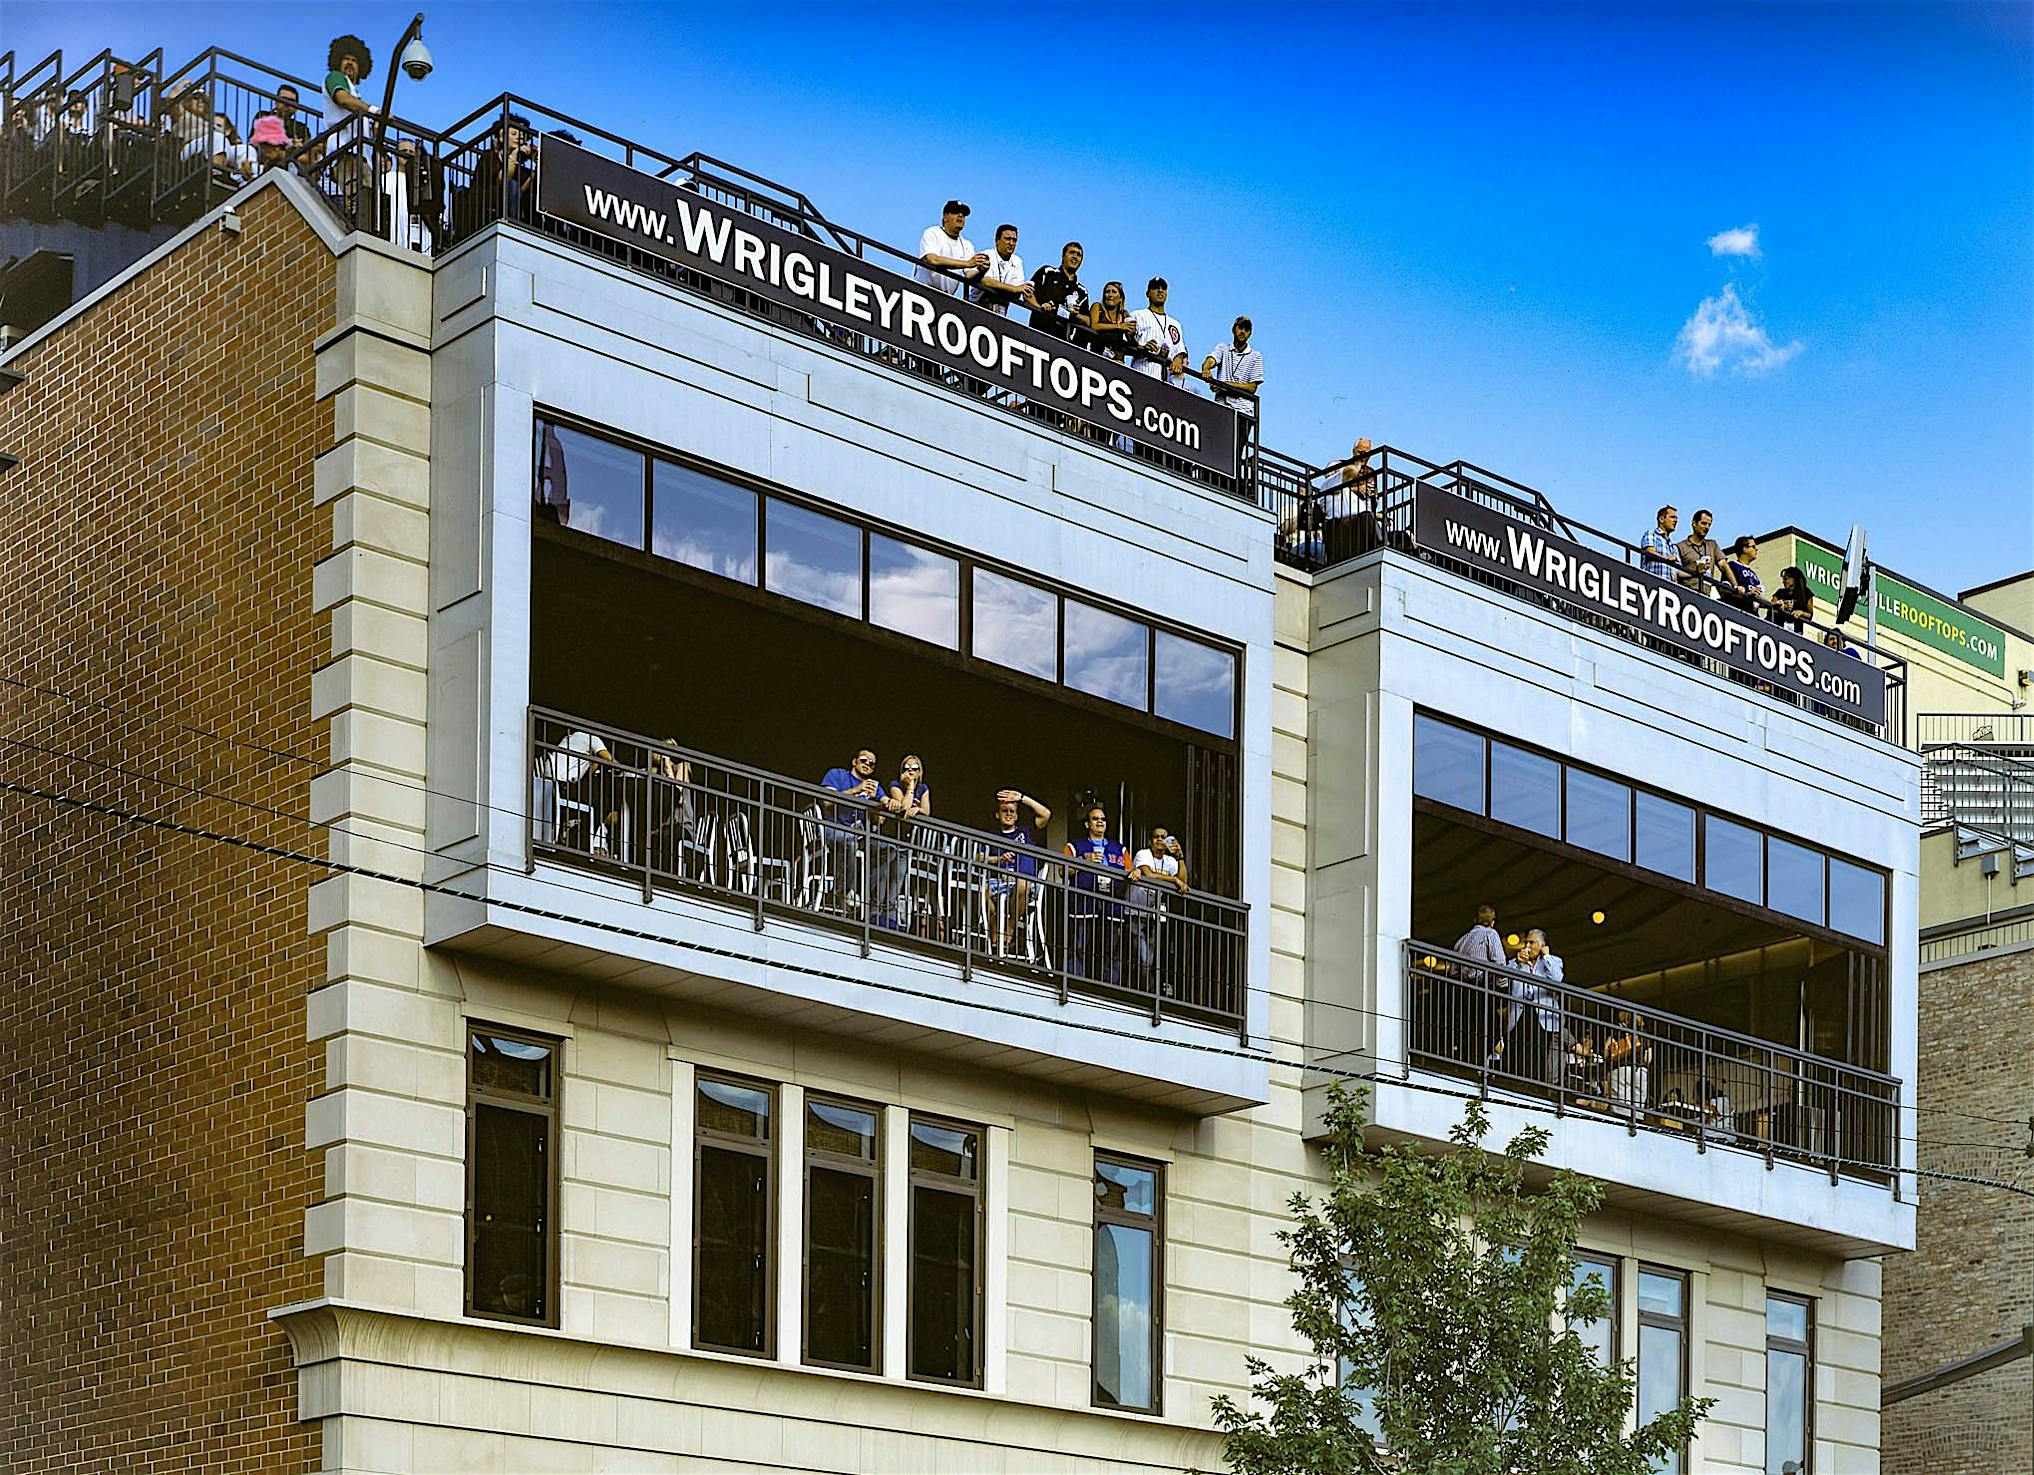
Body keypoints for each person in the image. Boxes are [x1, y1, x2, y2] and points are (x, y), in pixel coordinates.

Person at [1064, 804, 1131, 983]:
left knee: (1112, 948)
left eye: (1102, 819)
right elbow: (1063, 870)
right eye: (1095, 819)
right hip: (1084, 901)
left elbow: (1131, 872)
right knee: (1080, 944)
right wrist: (1084, 861)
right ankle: (1075, 982)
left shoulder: (1120, 849)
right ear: (1087, 824)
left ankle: (1110, 986)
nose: (1100, 822)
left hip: (1112, 903)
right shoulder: (1075, 846)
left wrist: (1138, 871)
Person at [981, 790, 1051, 955]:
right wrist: (999, 859)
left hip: (1023, 884)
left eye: (1012, 811)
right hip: (998, 882)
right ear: (997, 815)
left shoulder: (1026, 832)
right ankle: (994, 936)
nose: (1008, 814)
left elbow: (1046, 814)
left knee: (1022, 883)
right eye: (1004, 811)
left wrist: (1021, 798)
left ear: (1017, 816)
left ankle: (1009, 931)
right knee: (982, 894)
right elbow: (979, 857)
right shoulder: (992, 836)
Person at [819, 747, 883, 912]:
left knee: (889, 850)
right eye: (863, 760)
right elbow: (826, 801)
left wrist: (880, 807)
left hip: (860, 836)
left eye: (872, 763)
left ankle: (869, 898)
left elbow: (881, 819)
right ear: (854, 762)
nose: (867, 764)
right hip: (831, 829)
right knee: (849, 841)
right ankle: (842, 893)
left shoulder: (874, 786)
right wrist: (856, 790)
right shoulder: (837, 775)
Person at [1127, 824, 1190, 987]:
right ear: (1150, 841)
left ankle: (1146, 990)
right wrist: (1173, 879)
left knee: (1150, 957)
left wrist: (1180, 857)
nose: (1160, 840)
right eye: (1157, 837)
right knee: (1141, 956)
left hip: (1155, 915)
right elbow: (1148, 875)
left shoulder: (1170, 861)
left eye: (1164, 837)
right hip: (1136, 911)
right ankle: (1143, 990)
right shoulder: (1143, 854)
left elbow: (1183, 881)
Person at [877, 755, 932, 931]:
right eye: (907, 767)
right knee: (884, 875)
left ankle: (891, 920)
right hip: (890, 837)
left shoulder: (923, 788)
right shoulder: (895, 785)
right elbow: (903, 808)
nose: (910, 771)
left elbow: (926, 811)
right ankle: (875, 915)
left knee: (898, 877)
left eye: (915, 768)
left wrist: (918, 809)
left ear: (920, 772)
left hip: (906, 842)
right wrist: (909, 787)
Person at [1503, 929, 1564, 1088]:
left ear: (1542, 945)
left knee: (1539, 1054)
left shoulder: (1553, 961)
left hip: (1543, 1016)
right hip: (1520, 1013)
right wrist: (1517, 963)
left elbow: (1557, 980)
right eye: (1526, 943)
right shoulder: (1516, 962)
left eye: (1532, 942)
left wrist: (1546, 957)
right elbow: (1502, 981)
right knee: (1516, 1051)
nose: (1528, 946)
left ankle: (1536, 1089)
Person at [915, 199, 987, 297]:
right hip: (921, 291)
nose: (960, 215)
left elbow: (969, 274)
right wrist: (967, 263)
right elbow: (933, 259)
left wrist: (981, 270)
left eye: (963, 214)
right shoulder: (933, 232)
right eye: (955, 212)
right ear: (945, 217)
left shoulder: (967, 245)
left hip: (945, 298)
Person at [1127, 278, 1188, 387]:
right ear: (1147, 293)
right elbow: (1126, 344)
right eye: (1155, 287)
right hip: (1143, 371)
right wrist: (1142, 347)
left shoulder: (1175, 324)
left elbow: (1180, 350)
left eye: (1163, 288)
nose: (1160, 290)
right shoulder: (1137, 315)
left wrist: (1178, 359)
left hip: (1167, 379)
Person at [1201, 317, 1264, 418]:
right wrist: (1206, 369)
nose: (1243, 332)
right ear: (1234, 329)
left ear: (1250, 334)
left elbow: (1252, 387)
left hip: (1243, 410)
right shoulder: (1223, 348)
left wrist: (1224, 385)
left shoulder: (1255, 356)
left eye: (1246, 329)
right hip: (1221, 406)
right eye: (1240, 327)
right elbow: (1211, 360)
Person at [1027, 242, 1089, 341]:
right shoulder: (1047, 272)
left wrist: (1077, 315)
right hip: (1038, 333)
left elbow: (1088, 321)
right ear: (1063, 256)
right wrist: (1040, 308)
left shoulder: (1082, 291)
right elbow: (1027, 294)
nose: (1075, 257)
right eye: (1072, 252)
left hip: (1062, 342)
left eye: (1079, 255)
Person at [322, 34, 377, 137]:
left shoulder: (355, 94)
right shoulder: (335, 77)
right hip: (341, 147)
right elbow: (343, 99)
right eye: (346, 58)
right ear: (338, 61)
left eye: (354, 60)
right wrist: (374, 111)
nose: (350, 62)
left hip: (358, 149)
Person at [1675, 508, 1736, 598]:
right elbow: (1676, 572)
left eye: (1709, 525)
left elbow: (1723, 565)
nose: (1706, 527)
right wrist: (1695, 570)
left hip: (1706, 595)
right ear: (1694, 524)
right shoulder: (1680, 546)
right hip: (1687, 592)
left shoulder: (1712, 545)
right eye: (1703, 523)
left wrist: (1735, 585)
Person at [972, 224, 1030, 316]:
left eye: (1014, 240)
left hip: (1000, 314)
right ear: (997, 240)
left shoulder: (1017, 261)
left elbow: (1017, 293)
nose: (1011, 243)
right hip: (976, 309)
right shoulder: (987, 254)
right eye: (1007, 239)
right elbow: (986, 281)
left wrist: (1014, 290)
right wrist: (1013, 289)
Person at [1602, 1010, 1653, 1116]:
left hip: (1620, 1069)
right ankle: (1636, 1124)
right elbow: (1648, 1057)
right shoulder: (1643, 1034)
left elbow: (1606, 1053)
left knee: (1621, 1104)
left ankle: (1623, 1126)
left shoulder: (1616, 1032)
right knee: (1638, 1104)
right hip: (1640, 1071)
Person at [1086, 280, 1140, 362]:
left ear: (1120, 298)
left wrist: (1131, 333)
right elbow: (1094, 326)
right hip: (1097, 358)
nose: (1110, 295)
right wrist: (1119, 326)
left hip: (1117, 361)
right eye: (1107, 292)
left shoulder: (1124, 314)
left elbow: (1132, 342)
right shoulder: (1097, 307)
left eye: (1114, 292)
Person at [1723, 535, 1764, 613]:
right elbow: (1724, 589)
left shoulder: (1753, 574)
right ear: (1745, 549)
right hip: (1736, 612)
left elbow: (1758, 597)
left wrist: (1772, 604)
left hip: (1752, 615)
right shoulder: (1732, 566)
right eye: (1753, 547)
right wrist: (1745, 594)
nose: (1756, 549)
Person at [1768, 565, 1814, 633]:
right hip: (1777, 626)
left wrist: (1801, 613)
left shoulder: (1806, 594)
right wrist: (1780, 606)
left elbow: (1810, 615)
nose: (1783, 581)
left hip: (1796, 630)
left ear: (1794, 579)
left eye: (1786, 579)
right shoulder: (1780, 593)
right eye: (1783, 579)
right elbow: (1770, 606)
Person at [1639, 505, 1679, 580]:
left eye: (1676, 518)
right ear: (1661, 519)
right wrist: (1667, 559)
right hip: (1652, 582)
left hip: (1670, 587)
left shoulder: (1673, 546)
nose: (1676, 520)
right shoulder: (1651, 534)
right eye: (1672, 517)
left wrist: (1697, 571)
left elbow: (1679, 570)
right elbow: (1650, 552)